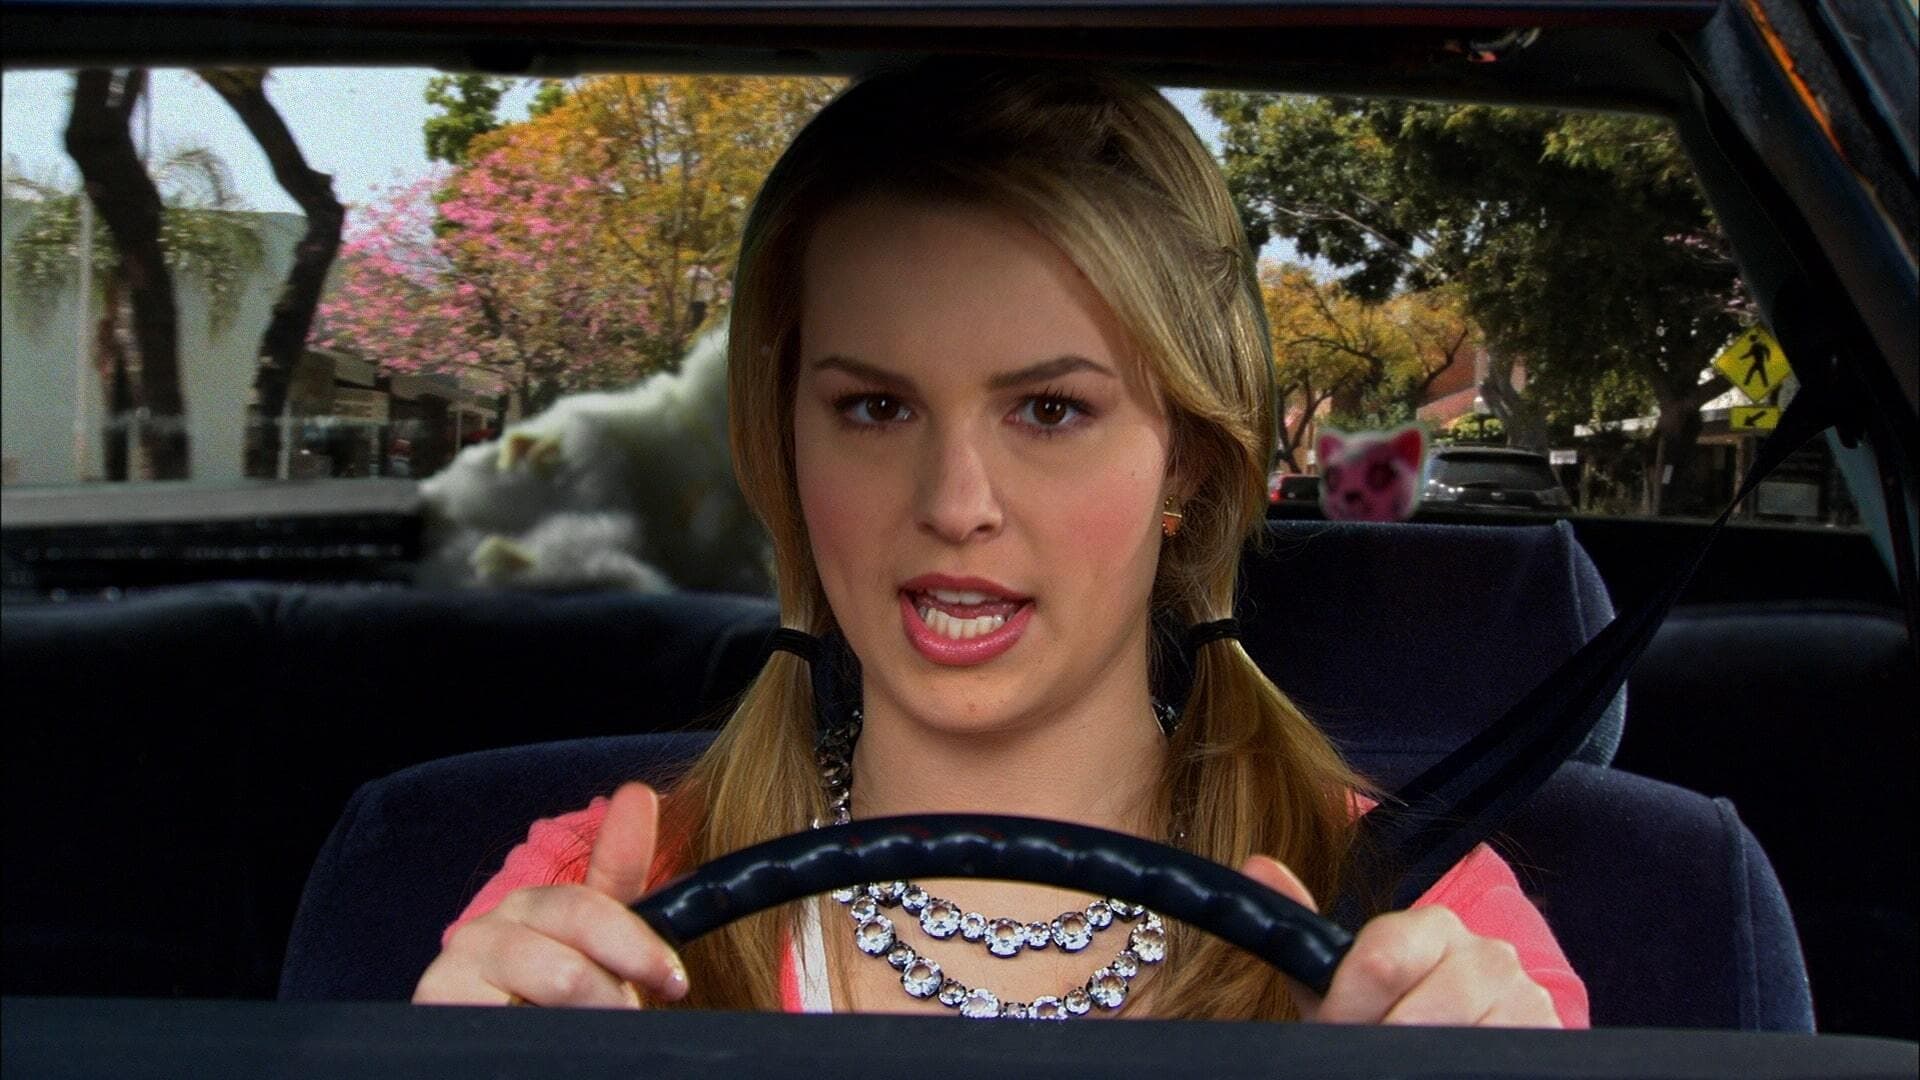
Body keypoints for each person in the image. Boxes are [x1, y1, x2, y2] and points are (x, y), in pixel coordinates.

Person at [413, 61, 1588, 1026]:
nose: (955, 502)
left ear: (1184, 457)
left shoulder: (1420, 942)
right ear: (787, 444)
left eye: (1051, 410)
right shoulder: (585, 923)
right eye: (876, 407)